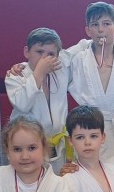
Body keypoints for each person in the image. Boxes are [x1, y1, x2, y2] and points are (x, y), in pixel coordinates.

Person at [67, 2, 114, 159]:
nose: (100, 29)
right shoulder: (77, 60)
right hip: (89, 131)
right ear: (88, 30)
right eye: (95, 25)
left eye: (106, 24)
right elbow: (52, 61)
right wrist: (21, 68)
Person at [5, 27, 69, 173]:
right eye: (39, 52)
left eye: (50, 54)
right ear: (26, 52)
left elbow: (84, 46)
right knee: (29, 181)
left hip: (57, 147)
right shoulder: (16, 76)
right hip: (28, 148)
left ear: (58, 56)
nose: (44, 59)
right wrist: (39, 72)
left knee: (56, 182)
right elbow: (22, 104)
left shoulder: (61, 69)